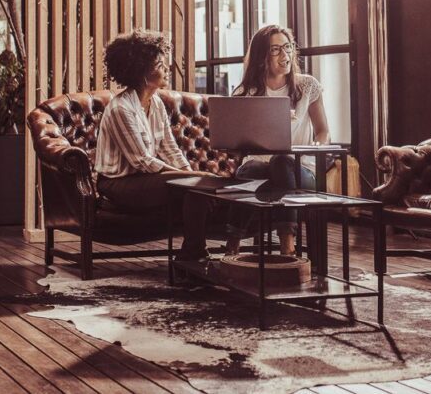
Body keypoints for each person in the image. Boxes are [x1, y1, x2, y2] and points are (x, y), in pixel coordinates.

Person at [94, 29, 214, 262]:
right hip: (117, 184)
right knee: (195, 184)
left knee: (197, 186)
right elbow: (142, 160)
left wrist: (191, 175)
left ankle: (193, 253)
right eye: (160, 65)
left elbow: (169, 148)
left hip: (143, 179)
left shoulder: (156, 102)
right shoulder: (121, 108)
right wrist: (190, 177)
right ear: (142, 73)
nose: (166, 68)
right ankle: (194, 255)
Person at [228, 24, 332, 257]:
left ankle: (280, 242)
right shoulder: (247, 92)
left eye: (287, 47)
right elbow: (238, 144)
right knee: (253, 169)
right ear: (261, 56)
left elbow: (324, 131)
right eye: (275, 50)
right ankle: (246, 242)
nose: (285, 55)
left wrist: (318, 146)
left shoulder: (307, 86)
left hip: (300, 168)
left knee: (282, 161)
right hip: (258, 165)